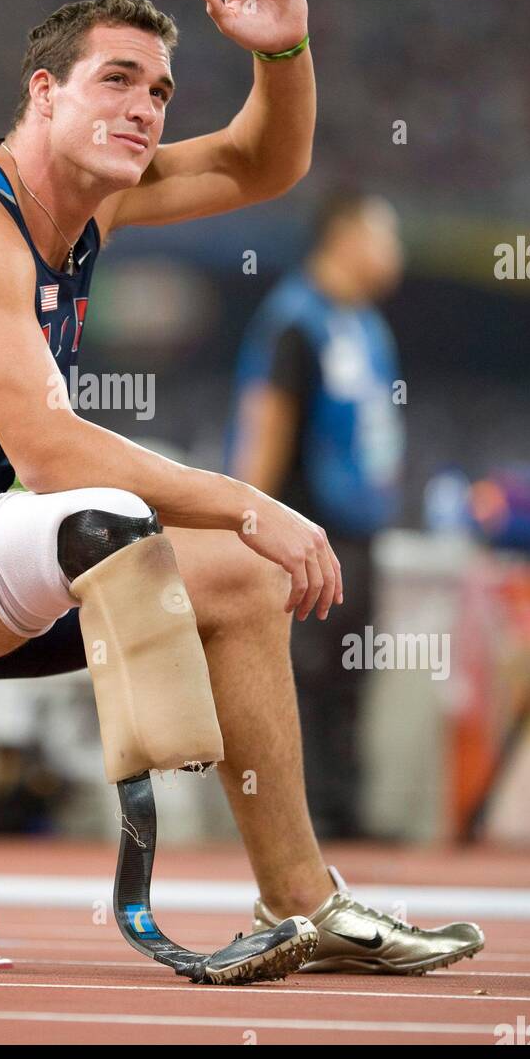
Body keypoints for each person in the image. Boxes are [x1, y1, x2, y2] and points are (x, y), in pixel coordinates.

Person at [0, 0, 482, 975]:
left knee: (237, 576)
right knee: (117, 522)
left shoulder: (93, 207)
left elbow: (260, 160)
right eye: (116, 80)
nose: (144, 107)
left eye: (161, 91)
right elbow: (47, 452)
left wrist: (281, 52)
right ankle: (144, 883)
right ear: (43, 93)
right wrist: (242, 498)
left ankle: (302, 904)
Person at [226, 191, 405, 838]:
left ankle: (344, 809)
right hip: (302, 533)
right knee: (303, 673)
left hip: (358, 531)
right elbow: (266, 422)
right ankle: (296, 820)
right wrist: (245, 526)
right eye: (386, 237)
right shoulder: (295, 320)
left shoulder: (363, 324)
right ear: (345, 237)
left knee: (350, 677)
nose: (396, 255)